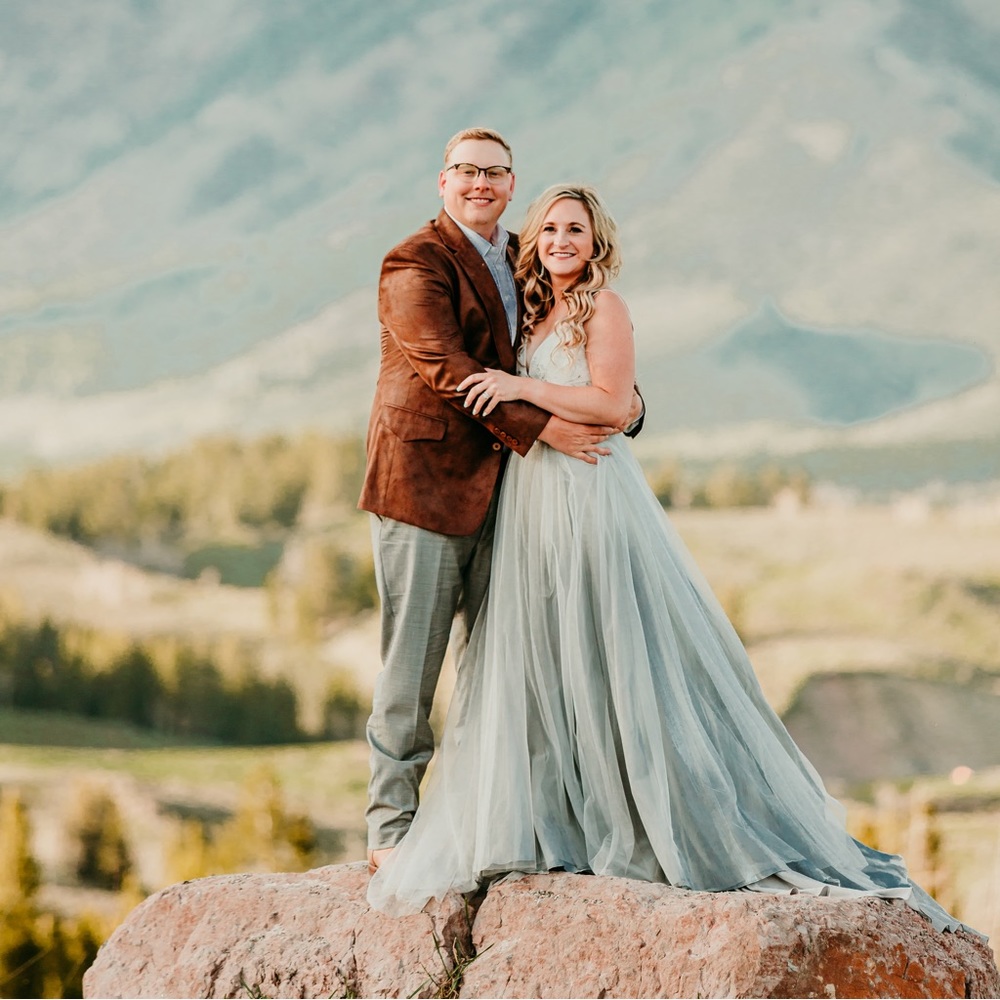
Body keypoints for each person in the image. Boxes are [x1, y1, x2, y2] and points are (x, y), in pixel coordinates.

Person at [366, 183, 977, 939]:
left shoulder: (603, 306)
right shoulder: (523, 301)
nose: (560, 240)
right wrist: (547, 416)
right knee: (540, 655)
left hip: (586, 492)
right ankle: (550, 815)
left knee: (608, 646)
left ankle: (641, 813)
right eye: (550, 229)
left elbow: (614, 403)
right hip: (527, 500)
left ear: (597, 241)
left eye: (575, 230)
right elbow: (465, 372)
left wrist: (532, 390)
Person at [358, 130, 643, 876]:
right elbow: (450, 371)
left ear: (512, 184)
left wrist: (625, 406)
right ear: (442, 181)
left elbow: (574, 344)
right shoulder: (414, 262)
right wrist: (549, 428)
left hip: (514, 496)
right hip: (424, 490)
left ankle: (499, 820)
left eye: (494, 172)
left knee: (505, 665)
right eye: (466, 171)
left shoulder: (528, 253)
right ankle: (391, 827)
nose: (479, 182)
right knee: (411, 667)